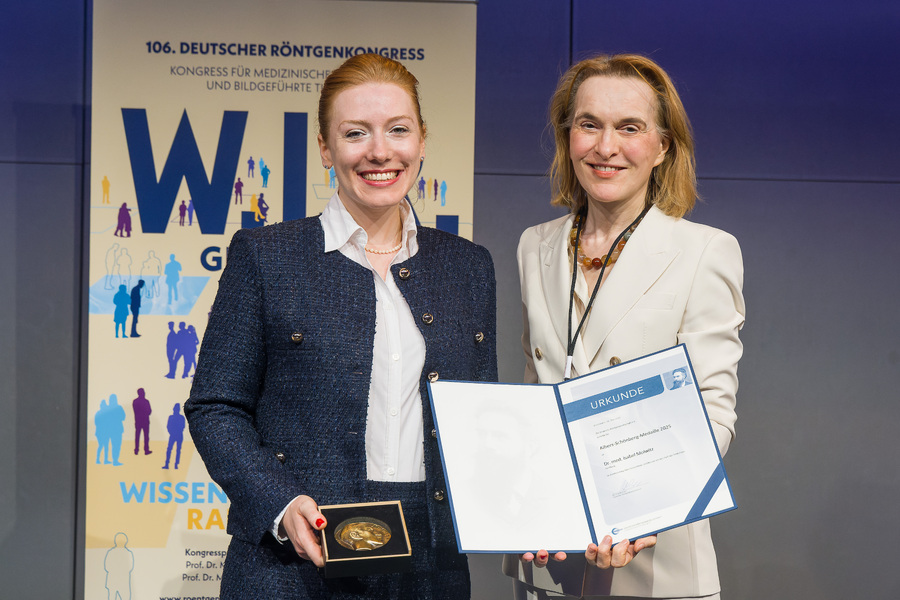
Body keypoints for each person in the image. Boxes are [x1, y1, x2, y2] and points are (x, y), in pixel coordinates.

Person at [185, 53, 497, 600]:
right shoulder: (267, 257)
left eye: (398, 130)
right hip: (293, 564)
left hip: (431, 565)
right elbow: (215, 408)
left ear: (422, 139)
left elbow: (481, 416)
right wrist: (280, 503)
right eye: (356, 133)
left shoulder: (468, 267)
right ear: (326, 148)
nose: (380, 151)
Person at [510, 54, 745, 600]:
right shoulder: (535, 246)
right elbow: (535, 394)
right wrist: (526, 503)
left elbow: (712, 413)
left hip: (654, 559)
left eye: (629, 128)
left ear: (663, 146)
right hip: (548, 556)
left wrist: (636, 513)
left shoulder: (704, 251)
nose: (605, 146)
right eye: (588, 124)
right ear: (568, 137)